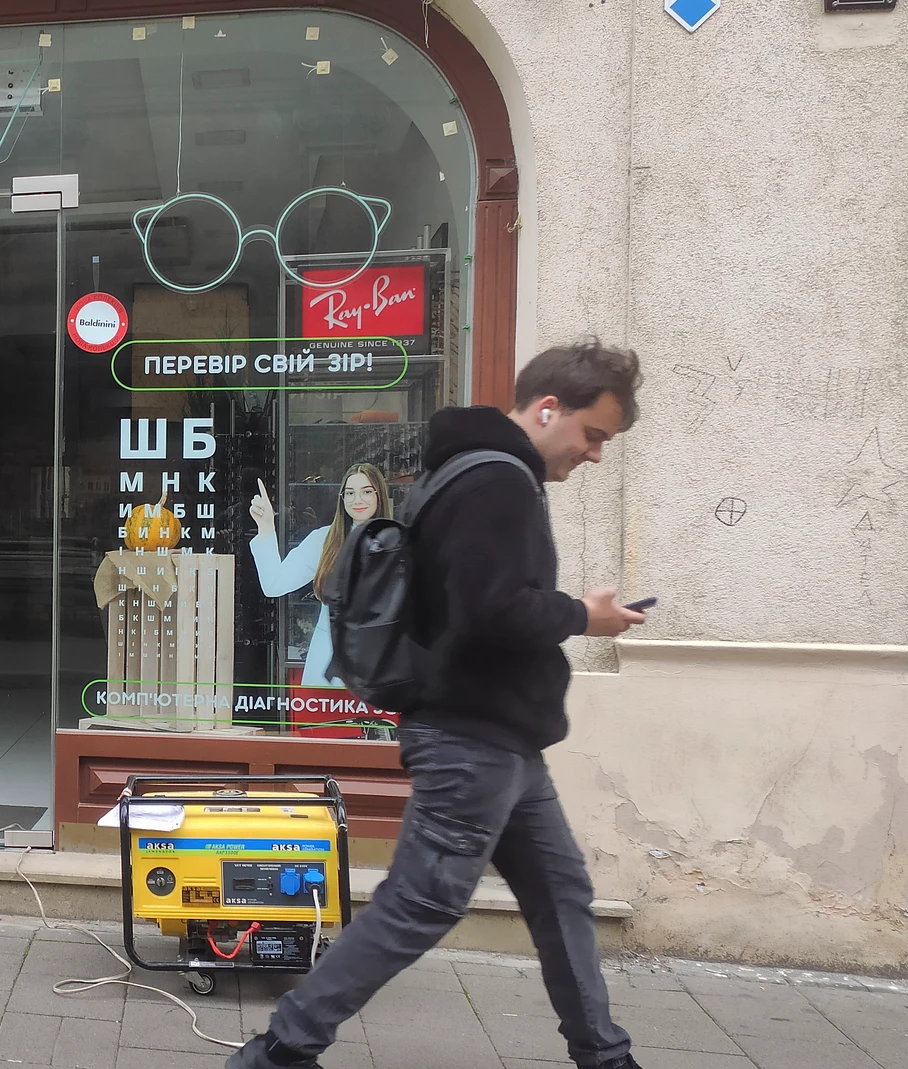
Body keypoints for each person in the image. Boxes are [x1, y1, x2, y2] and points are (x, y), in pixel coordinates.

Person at [228, 339, 649, 1069]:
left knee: (561, 895)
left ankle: (605, 1056)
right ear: (548, 409)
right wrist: (585, 614)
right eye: (593, 435)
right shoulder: (498, 482)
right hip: (472, 737)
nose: (596, 455)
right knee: (421, 903)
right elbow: (493, 611)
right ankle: (279, 1050)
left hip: (505, 739)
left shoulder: (475, 470)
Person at [247, 463, 392, 687]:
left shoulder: (398, 542)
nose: (357, 500)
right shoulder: (323, 541)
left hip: (382, 665)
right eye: (350, 493)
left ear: (379, 495)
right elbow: (274, 585)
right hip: (329, 668)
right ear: (342, 499)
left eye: (366, 491)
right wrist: (266, 528)